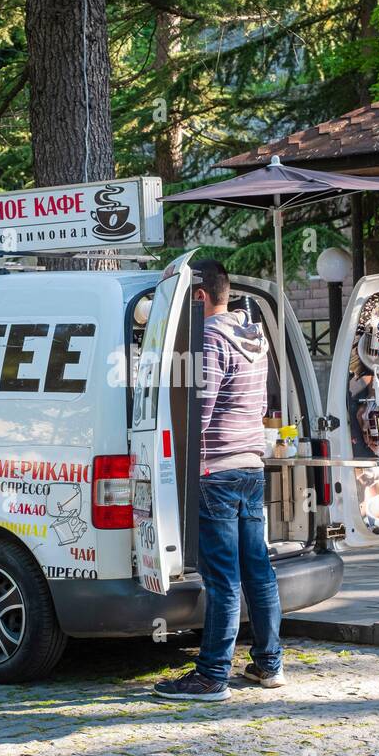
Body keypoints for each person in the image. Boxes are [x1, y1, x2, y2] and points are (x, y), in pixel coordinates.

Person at [154, 259, 285, 701]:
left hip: (215, 471)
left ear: (198, 296)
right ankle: (269, 663)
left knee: (223, 578)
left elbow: (200, 413)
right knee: (258, 571)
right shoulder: (254, 336)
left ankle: (211, 675)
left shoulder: (208, 339)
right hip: (250, 465)